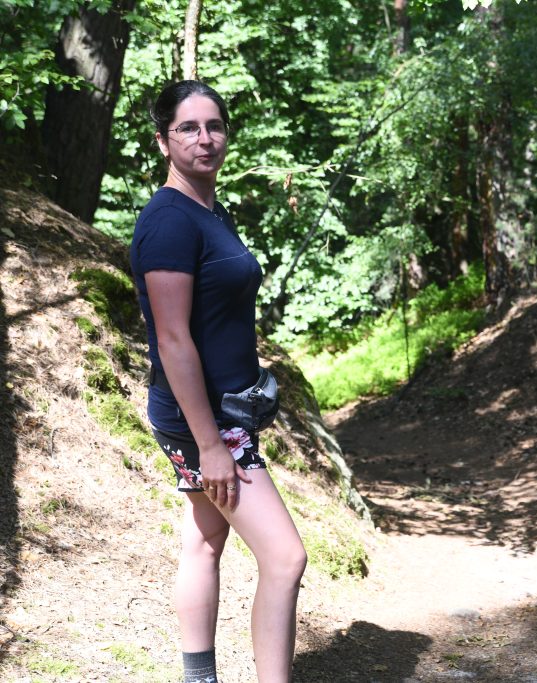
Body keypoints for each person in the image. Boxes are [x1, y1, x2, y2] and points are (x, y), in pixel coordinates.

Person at [130, 80, 307, 683]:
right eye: (187, 128)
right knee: (285, 558)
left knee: (205, 540)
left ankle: (198, 678)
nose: (204, 138)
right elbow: (173, 339)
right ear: (163, 141)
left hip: (223, 410)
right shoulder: (168, 222)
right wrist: (210, 444)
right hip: (202, 421)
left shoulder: (209, 211)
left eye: (214, 126)